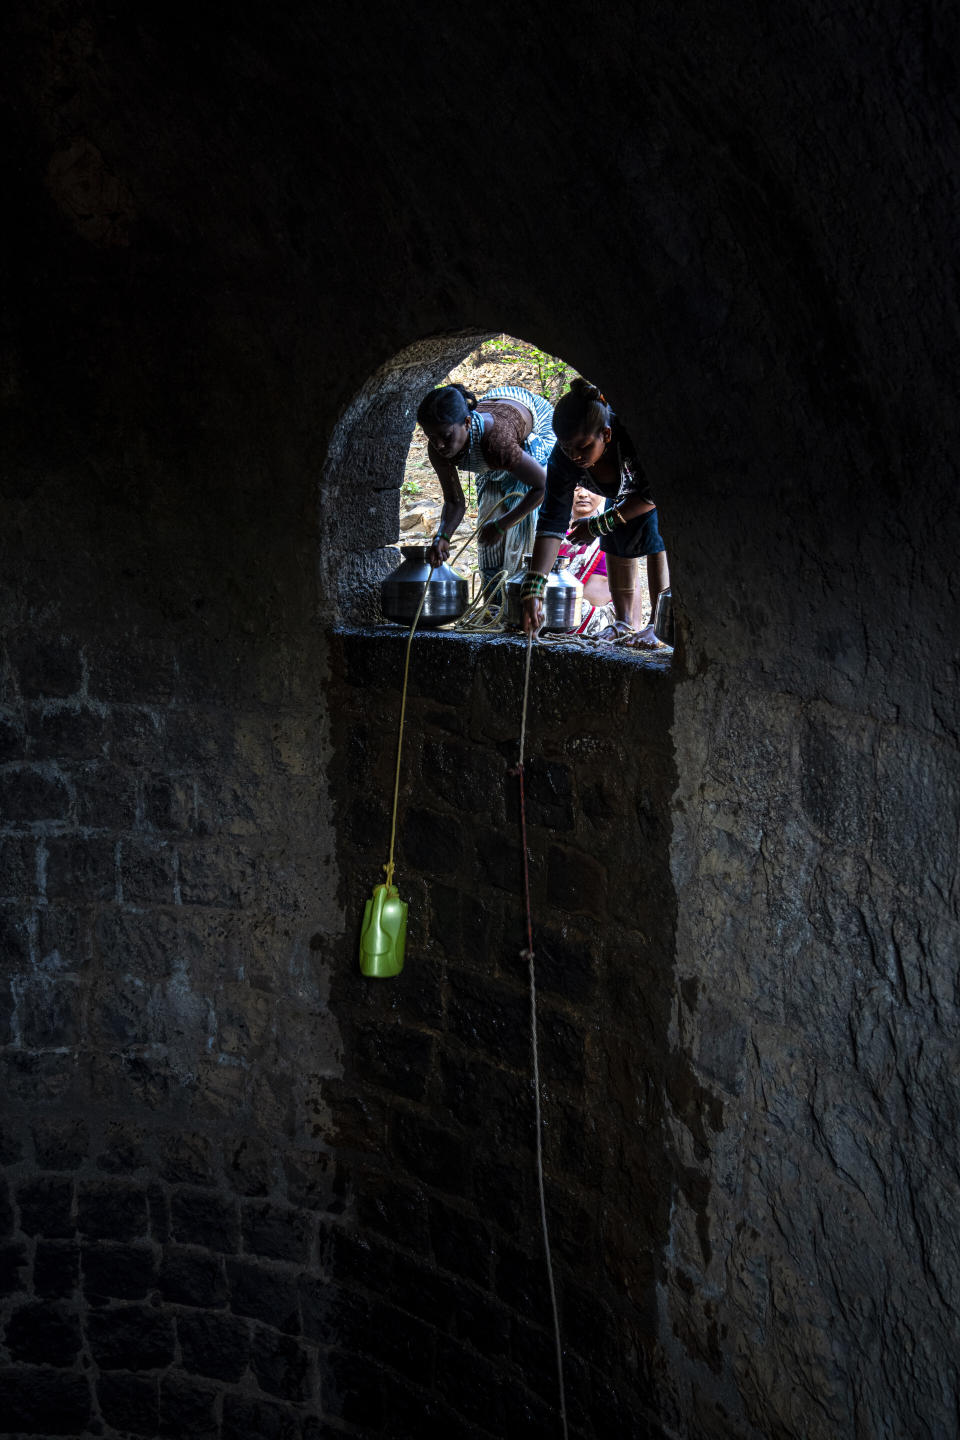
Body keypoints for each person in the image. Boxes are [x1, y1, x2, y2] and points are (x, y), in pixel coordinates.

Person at [520, 379, 669, 646]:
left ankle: (660, 625)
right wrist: (535, 584)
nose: (575, 455)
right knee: (614, 530)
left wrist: (599, 524)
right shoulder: (563, 458)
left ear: (607, 435)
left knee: (657, 532)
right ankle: (623, 622)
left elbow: (653, 495)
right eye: (567, 448)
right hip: (621, 497)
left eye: (584, 446)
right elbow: (552, 519)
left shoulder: (635, 435)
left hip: (657, 495)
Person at [416, 382, 555, 588]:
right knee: (489, 534)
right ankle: (493, 604)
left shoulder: (498, 442)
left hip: (534, 417)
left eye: (446, 436)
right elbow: (454, 501)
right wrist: (442, 537)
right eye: (431, 437)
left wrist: (503, 524)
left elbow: (542, 486)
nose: (439, 445)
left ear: (467, 422)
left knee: (518, 543)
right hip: (491, 436)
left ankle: (518, 599)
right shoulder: (439, 445)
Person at [558, 484, 617, 637]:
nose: (583, 494)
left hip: (601, 627)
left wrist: (632, 627)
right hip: (557, 620)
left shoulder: (613, 531)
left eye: (590, 487)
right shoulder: (554, 535)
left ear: (603, 493)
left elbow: (633, 585)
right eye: (576, 488)